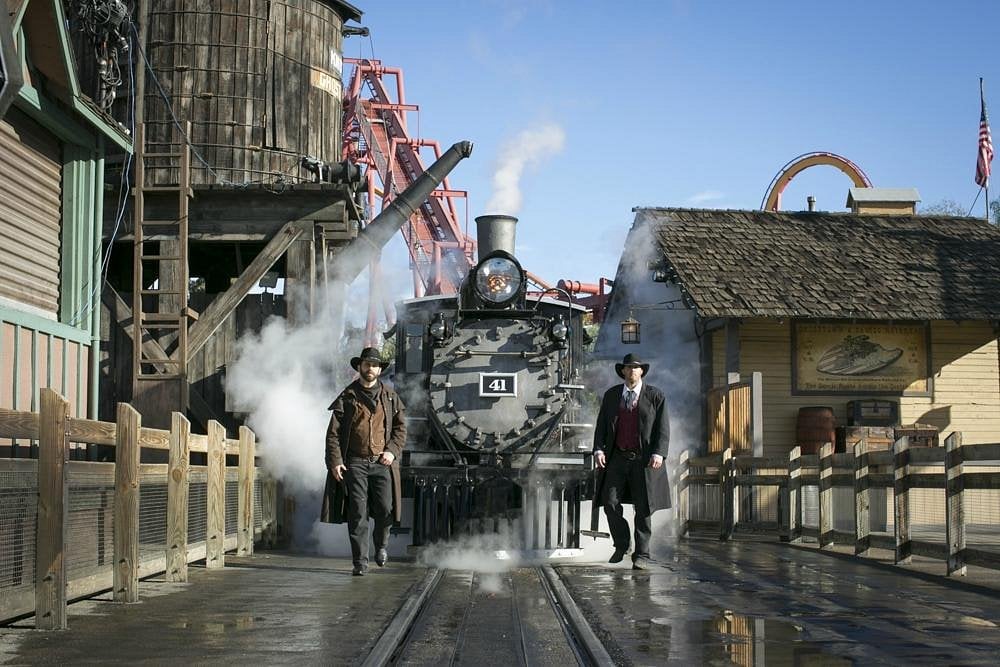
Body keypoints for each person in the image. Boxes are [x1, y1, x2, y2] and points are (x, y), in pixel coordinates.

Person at [320, 347, 406, 576]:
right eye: (366, 364)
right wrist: (335, 461)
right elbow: (333, 434)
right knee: (357, 512)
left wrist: (392, 451)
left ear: (380, 369)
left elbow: (400, 429)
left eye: (374, 365)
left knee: (385, 509)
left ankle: (381, 546)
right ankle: (360, 562)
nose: (370, 369)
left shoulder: (390, 397)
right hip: (355, 462)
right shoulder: (347, 396)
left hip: (382, 463)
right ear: (360, 367)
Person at [592, 353, 671, 570]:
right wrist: (598, 448)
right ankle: (622, 544)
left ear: (642, 371)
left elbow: (662, 428)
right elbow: (601, 426)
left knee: (643, 508)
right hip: (617, 457)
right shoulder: (611, 395)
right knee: (609, 502)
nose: (632, 371)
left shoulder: (655, 395)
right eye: (628, 368)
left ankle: (642, 554)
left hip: (643, 460)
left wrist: (659, 453)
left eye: (636, 368)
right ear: (623, 371)